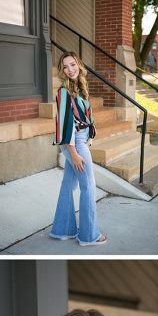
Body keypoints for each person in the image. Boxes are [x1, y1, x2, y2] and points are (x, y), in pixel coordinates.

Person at [52, 52, 106, 245]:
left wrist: (90, 135)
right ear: (62, 71)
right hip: (73, 143)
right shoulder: (64, 92)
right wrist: (74, 153)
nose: (70, 69)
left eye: (72, 65)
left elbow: (85, 116)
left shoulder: (79, 87)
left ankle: (62, 230)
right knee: (88, 187)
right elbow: (65, 125)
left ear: (78, 65)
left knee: (68, 185)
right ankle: (89, 235)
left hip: (81, 139)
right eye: (65, 67)